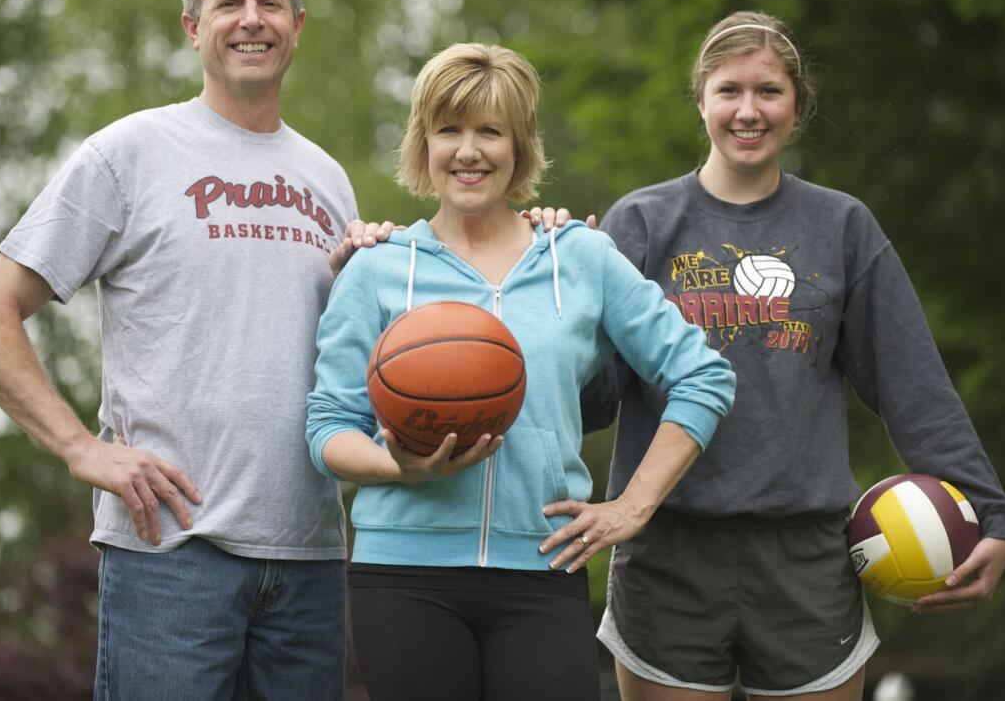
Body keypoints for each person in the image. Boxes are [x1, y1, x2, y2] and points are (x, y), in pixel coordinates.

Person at [0, 0, 375, 700]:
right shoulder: (131, 153)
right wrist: (80, 447)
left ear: (298, 25)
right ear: (192, 27)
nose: (252, 18)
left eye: (270, 2)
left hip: (309, 561)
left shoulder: (329, 179)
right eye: (230, 3)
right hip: (171, 556)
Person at [584, 11, 1005, 700]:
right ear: (700, 100)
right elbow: (593, 400)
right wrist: (569, 307)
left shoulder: (842, 226)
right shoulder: (638, 223)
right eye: (729, 91)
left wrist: (992, 514)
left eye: (769, 91)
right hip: (668, 554)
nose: (748, 111)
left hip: (808, 560)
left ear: (798, 106)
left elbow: (913, 386)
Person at [304, 42, 736, 701]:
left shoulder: (583, 259)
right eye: (448, 130)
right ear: (423, 143)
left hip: (543, 569)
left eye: (490, 131)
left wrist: (633, 506)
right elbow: (327, 429)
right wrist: (400, 466)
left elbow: (703, 375)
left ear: (520, 145)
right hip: (402, 575)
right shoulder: (378, 268)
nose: (469, 151)